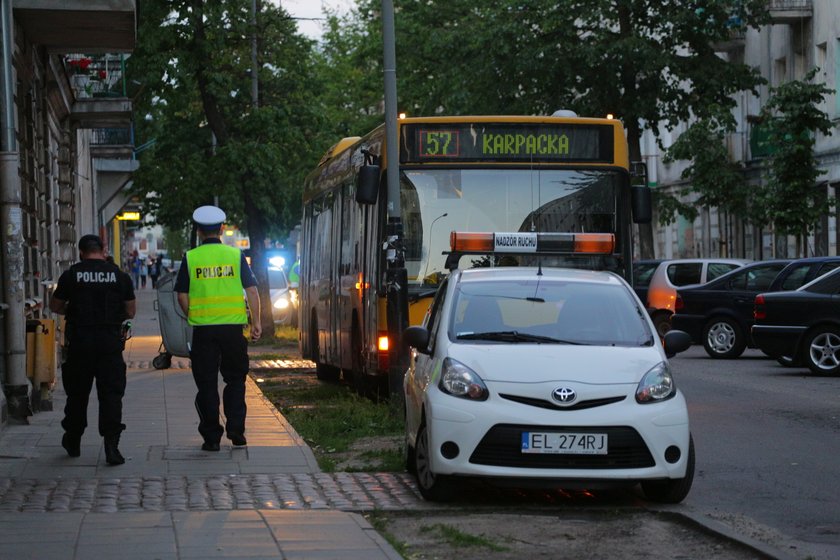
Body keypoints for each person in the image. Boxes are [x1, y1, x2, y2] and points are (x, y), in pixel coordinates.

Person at [175, 205, 261, 451]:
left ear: (199, 231)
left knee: (206, 383)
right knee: (235, 379)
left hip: (204, 331)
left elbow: (181, 295)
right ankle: (236, 428)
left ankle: (211, 437)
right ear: (222, 229)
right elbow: (252, 291)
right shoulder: (235, 256)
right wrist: (256, 322)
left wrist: (193, 314)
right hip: (233, 329)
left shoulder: (191, 258)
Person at [49, 234, 136, 466]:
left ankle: (73, 439)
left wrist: (74, 308)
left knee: (77, 394)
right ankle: (111, 445)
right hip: (109, 345)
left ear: (81, 252)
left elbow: (55, 306)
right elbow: (131, 311)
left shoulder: (71, 276)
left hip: (80, 343)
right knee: (111, 396)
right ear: (103, 250)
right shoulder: (119, 276)